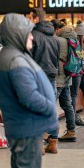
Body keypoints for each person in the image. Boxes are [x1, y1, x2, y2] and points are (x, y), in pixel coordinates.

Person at [0, 13, 58, 168]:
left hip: (23, 127)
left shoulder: (12, 55)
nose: (32, 37)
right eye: (28, 34)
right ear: (17, 34)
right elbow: (29, 97)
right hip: (26, 129)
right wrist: (50, 107)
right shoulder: (16, 60)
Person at [29, 8, 60, 154]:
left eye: (29, 16)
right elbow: (57, 58)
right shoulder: (54, 36)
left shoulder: (33, 35)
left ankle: (39, 145)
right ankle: (53, 143)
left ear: (34, 18)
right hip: (52, 76)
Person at [51, 20, 77, 143]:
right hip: (68, 76)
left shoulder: (58, 40)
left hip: (58, 77)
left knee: (50, 106)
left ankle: (50, 134)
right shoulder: (72, 40)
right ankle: (71, 131)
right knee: (68, 105)